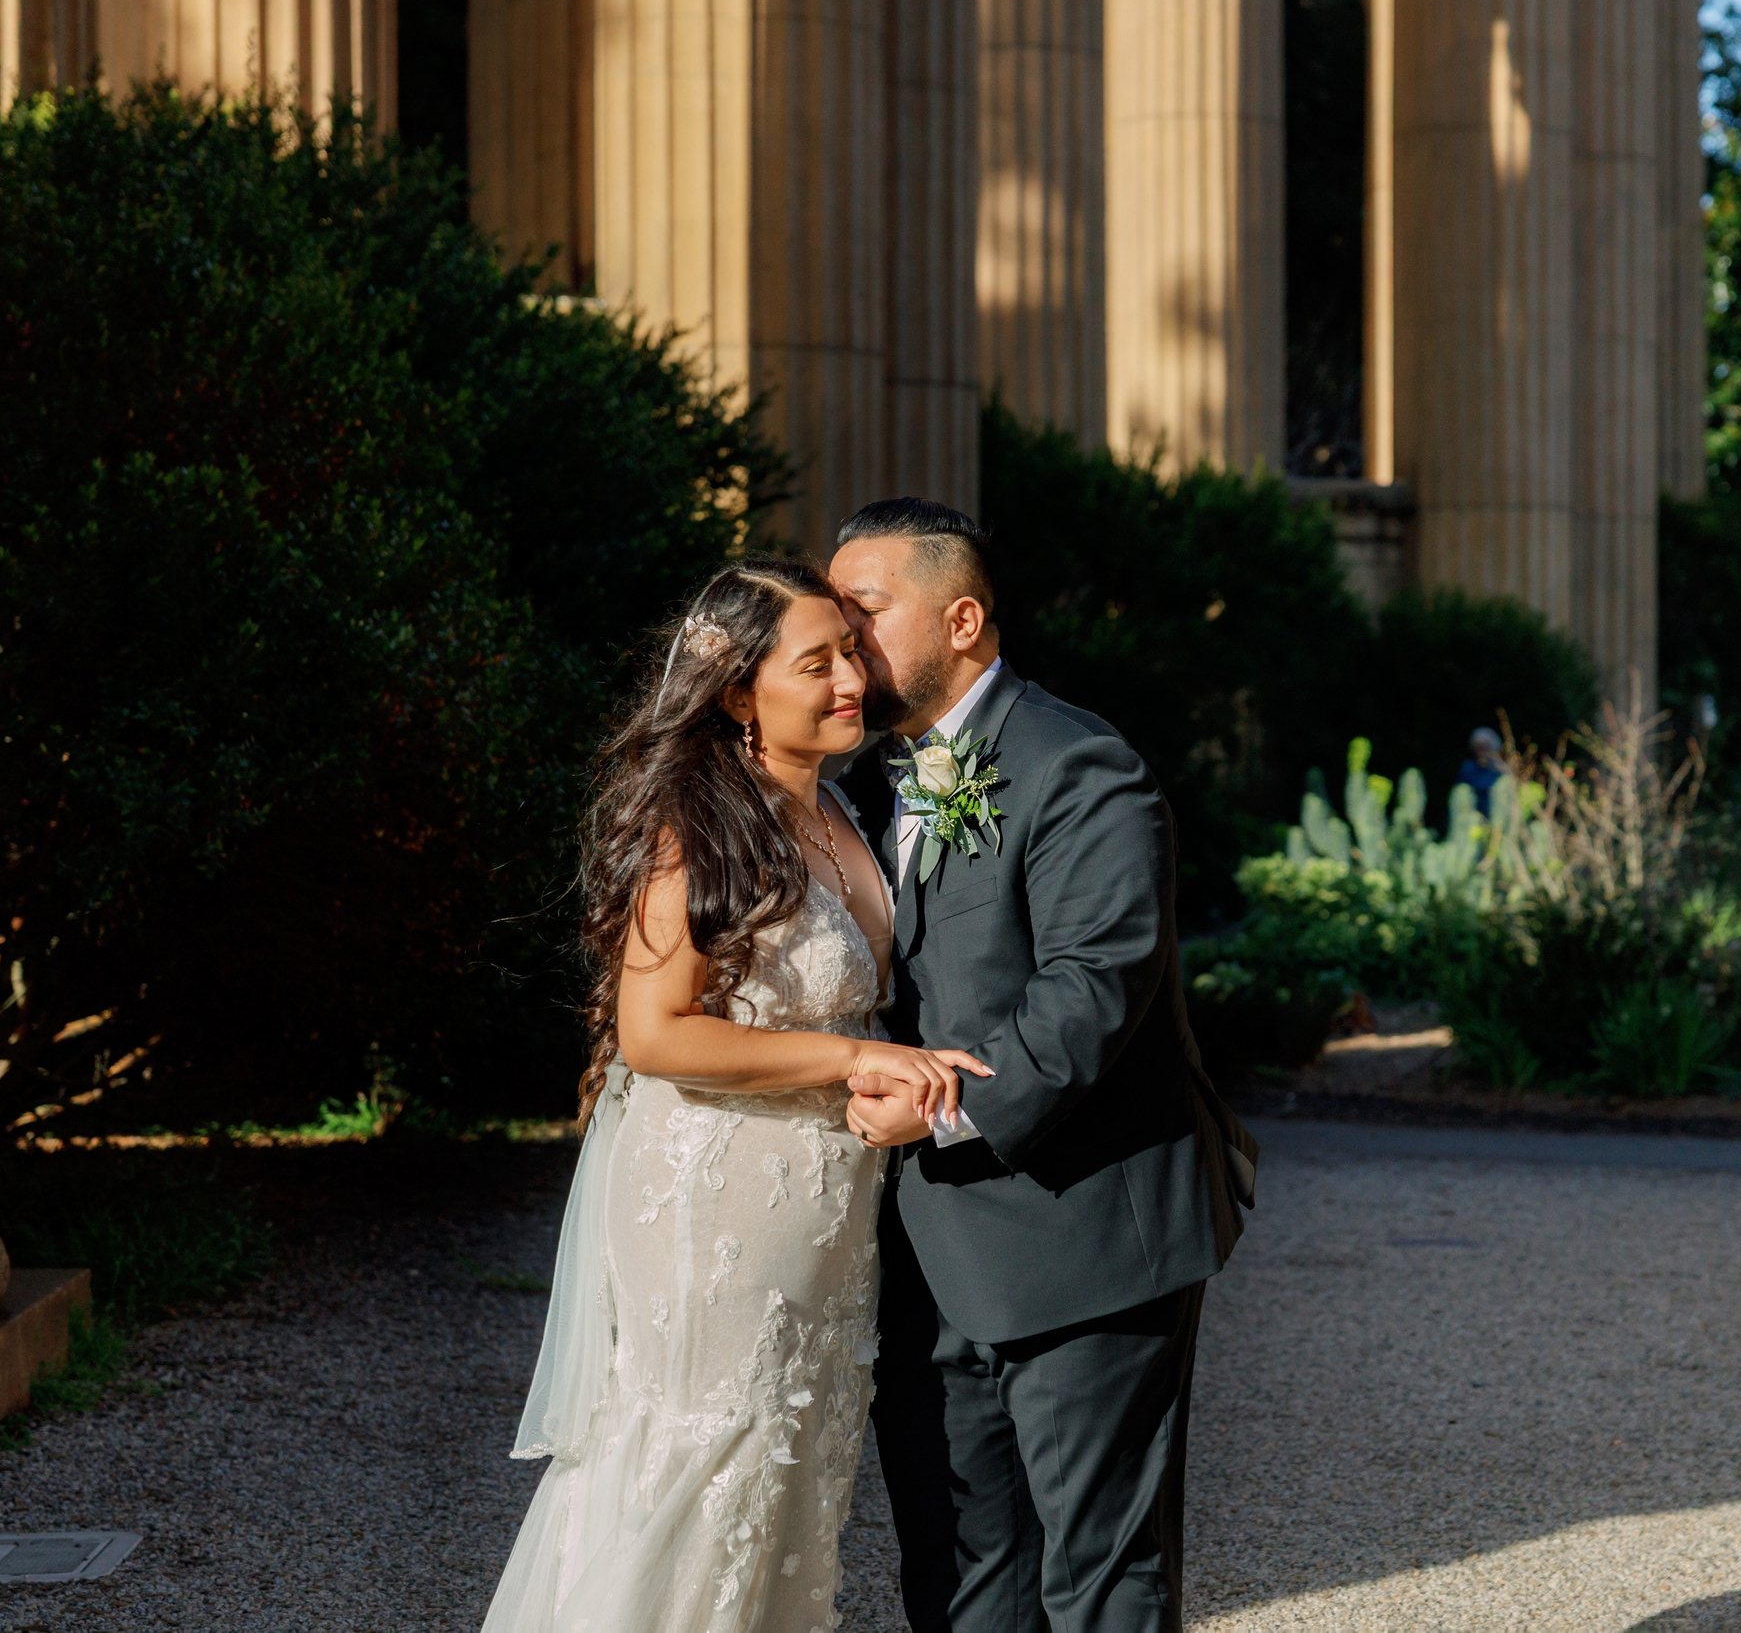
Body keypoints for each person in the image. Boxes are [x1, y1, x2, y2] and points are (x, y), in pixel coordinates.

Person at [484, 559, 991, 1633]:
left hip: (823, 1209)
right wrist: (852, 1062)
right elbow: (655, 1031)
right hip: (715, 1199)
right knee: (704, 1455)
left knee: (791, 1472)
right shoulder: (697, 823)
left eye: (850, 651)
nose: (852, 678)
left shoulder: (847, 813)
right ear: (734, 691)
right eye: (817, 662)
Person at [828, 499, 1256, 1633]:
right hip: (919, 1257)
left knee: (1101, 1576)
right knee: (960, 1575)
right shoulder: (852, 785)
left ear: (962, 619)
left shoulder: (1081, 766)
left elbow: (1095, 987)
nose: (842, 645)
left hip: (1084, 1238)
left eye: (864, 613)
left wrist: (934, 1107)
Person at [1456, 726, 1507, 815]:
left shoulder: (1499, 768)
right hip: (1473, 814)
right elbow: (1462, 790)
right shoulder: (1468, 767)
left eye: (1485, 747)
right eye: (1478, 747)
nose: (1481, 750)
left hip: (1494, 812)